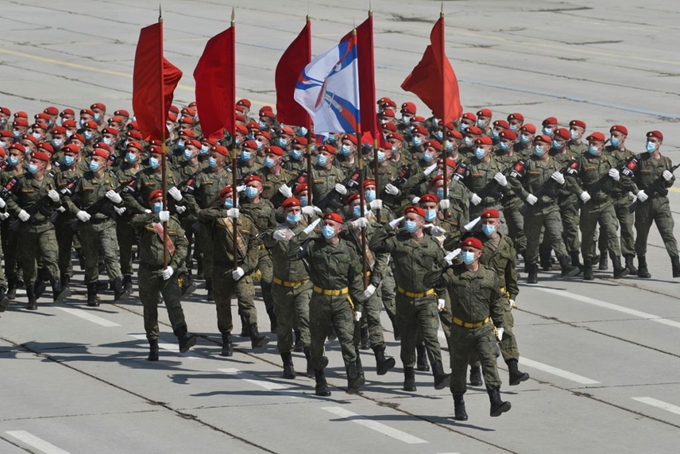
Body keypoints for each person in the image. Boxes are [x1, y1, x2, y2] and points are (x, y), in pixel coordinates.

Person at [425, 237, 511, 420]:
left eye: (471, 251)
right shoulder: (452, 274)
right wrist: (443, 262)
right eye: (464, 250)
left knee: (489, 361)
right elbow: (428, 281)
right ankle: (459, 403)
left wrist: (500, 325)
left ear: (479, 254)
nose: (467, 253)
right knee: (458, 367)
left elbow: (496, 302)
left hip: (483, 328)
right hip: (460, 330)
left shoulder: (489, 275)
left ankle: (495, 401)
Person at [369, 206, 451, 392]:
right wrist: (389, 227)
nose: (409, 222)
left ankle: (438, 373)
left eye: (413, 219)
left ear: (422, 222)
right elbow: (374, 245)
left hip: (427, 298)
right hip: (405, 299)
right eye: (406, 219)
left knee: (431, 336)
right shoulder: (397, 241)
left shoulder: (432, 244)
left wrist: (442, 295)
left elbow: (441, 270)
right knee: (407, 339)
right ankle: (409, 375)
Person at [290, 212, 366, 396]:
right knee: (317, 341)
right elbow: (291, 252)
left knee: (347, 340)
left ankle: (352, 379)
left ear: (340, 229)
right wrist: (305, 232)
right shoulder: (313, 245)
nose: (327, 227)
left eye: (331, 224)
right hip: (320, 300)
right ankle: (320, 380)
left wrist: (359, 306)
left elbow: (355, 279)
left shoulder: (348, 249)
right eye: (325, 223)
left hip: (342, 300)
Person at [197, 185, 268, 356]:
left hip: (241, 268)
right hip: (221, 268)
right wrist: (225, 213)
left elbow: (253, 246)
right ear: (221, 200)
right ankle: (226, 339)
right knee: (223, 305)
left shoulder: (246, 220)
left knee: (246, 300)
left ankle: (254, 333)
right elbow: (202, 214)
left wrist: (245, 268)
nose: (231, 198)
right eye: (227, 196)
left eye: (234, 196)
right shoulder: (217, 219)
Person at [131, 190, 197, 361]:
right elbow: (134, 222)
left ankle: (183, 337)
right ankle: (153, 345)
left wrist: (174, 266)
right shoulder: (144, 220)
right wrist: (155, 217)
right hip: (148, 272)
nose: (159, 202)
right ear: (150, 203)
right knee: (150, 308)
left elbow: (183, 245)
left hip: (168, 271)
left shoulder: (173, 223)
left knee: (174, 305)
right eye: (156, 200)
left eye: (162, 200)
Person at [63, 146, 128, 306]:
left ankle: (118, 288)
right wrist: (77, 212)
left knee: (110, 255)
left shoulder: (112, 179)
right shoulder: (82, 179)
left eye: (97, 160)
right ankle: (92, 293)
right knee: (91, 260)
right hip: (88, 225)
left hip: (107, 224)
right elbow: (66, 197)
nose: (93, 162)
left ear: (105, 163)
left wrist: (119, 202)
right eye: (92, 159)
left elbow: (124, 200)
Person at [3, 150, 68, 309]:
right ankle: (31, 295)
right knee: (29, 263)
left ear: (43, 165)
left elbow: (56, 206)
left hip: (46, 227)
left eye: (34, 162)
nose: (30, 164)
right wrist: (19, 211)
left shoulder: (49, 182)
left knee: (50, 255)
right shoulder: (20, 181)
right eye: (31, 161)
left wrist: (56, 200)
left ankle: (57, 286)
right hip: (26, 228)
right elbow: (5, 197)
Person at [565, 132, 629, 280]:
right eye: (590, 144)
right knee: (588, 236)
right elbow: (569, 176)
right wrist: (580, 192)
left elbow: (623, 182)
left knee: (611, 232)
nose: (592, 146)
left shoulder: (610, 160)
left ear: (602, 145)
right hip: (589, 204)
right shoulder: (582, 160)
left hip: (606, 203)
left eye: (595, 144)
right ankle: (587, 266)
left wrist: (618, 178)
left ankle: (617, 265)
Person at [477, 209, 529, 386]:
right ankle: (475, 369)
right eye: (485, 223)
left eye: (491, 223)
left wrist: (513, 294)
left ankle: (513, 369)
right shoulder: (475, 242)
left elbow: (511, 271)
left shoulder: (506, 243)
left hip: (499, 295)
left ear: (499, 223)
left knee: (506, 330)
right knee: (478, 334)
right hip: (478, 295)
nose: (488, 226)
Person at [628, 130, 680, 278]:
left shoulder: (666, 161)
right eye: (649, 140)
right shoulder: (639, 159)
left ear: (660, 143)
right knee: (642, 236)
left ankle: (676, 264)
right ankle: (642, 265)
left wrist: (669, 179)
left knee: (668, 233)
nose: (650, 143)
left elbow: (668, 184)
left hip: (661, 202)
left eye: (653, 141)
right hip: (644, 203)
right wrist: (637, 192)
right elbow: (627, 178)